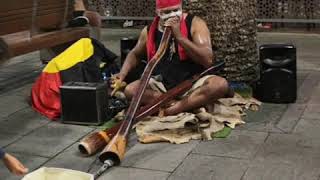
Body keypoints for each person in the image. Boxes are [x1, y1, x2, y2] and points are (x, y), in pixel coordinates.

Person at [113, 0, 230, 116]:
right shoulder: (149, 31)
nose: (172, 15)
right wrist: (122, 74)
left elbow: (208, 60)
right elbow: (135, 54)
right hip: (161, 85)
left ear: (181, 7)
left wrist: (180, 37)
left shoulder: (195, 23)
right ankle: (186, 104)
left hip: (193, 83)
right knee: (130, 90)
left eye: (176, 10)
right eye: (167, 12)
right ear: (158, 12)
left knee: (219, 85)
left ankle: (173, 109)